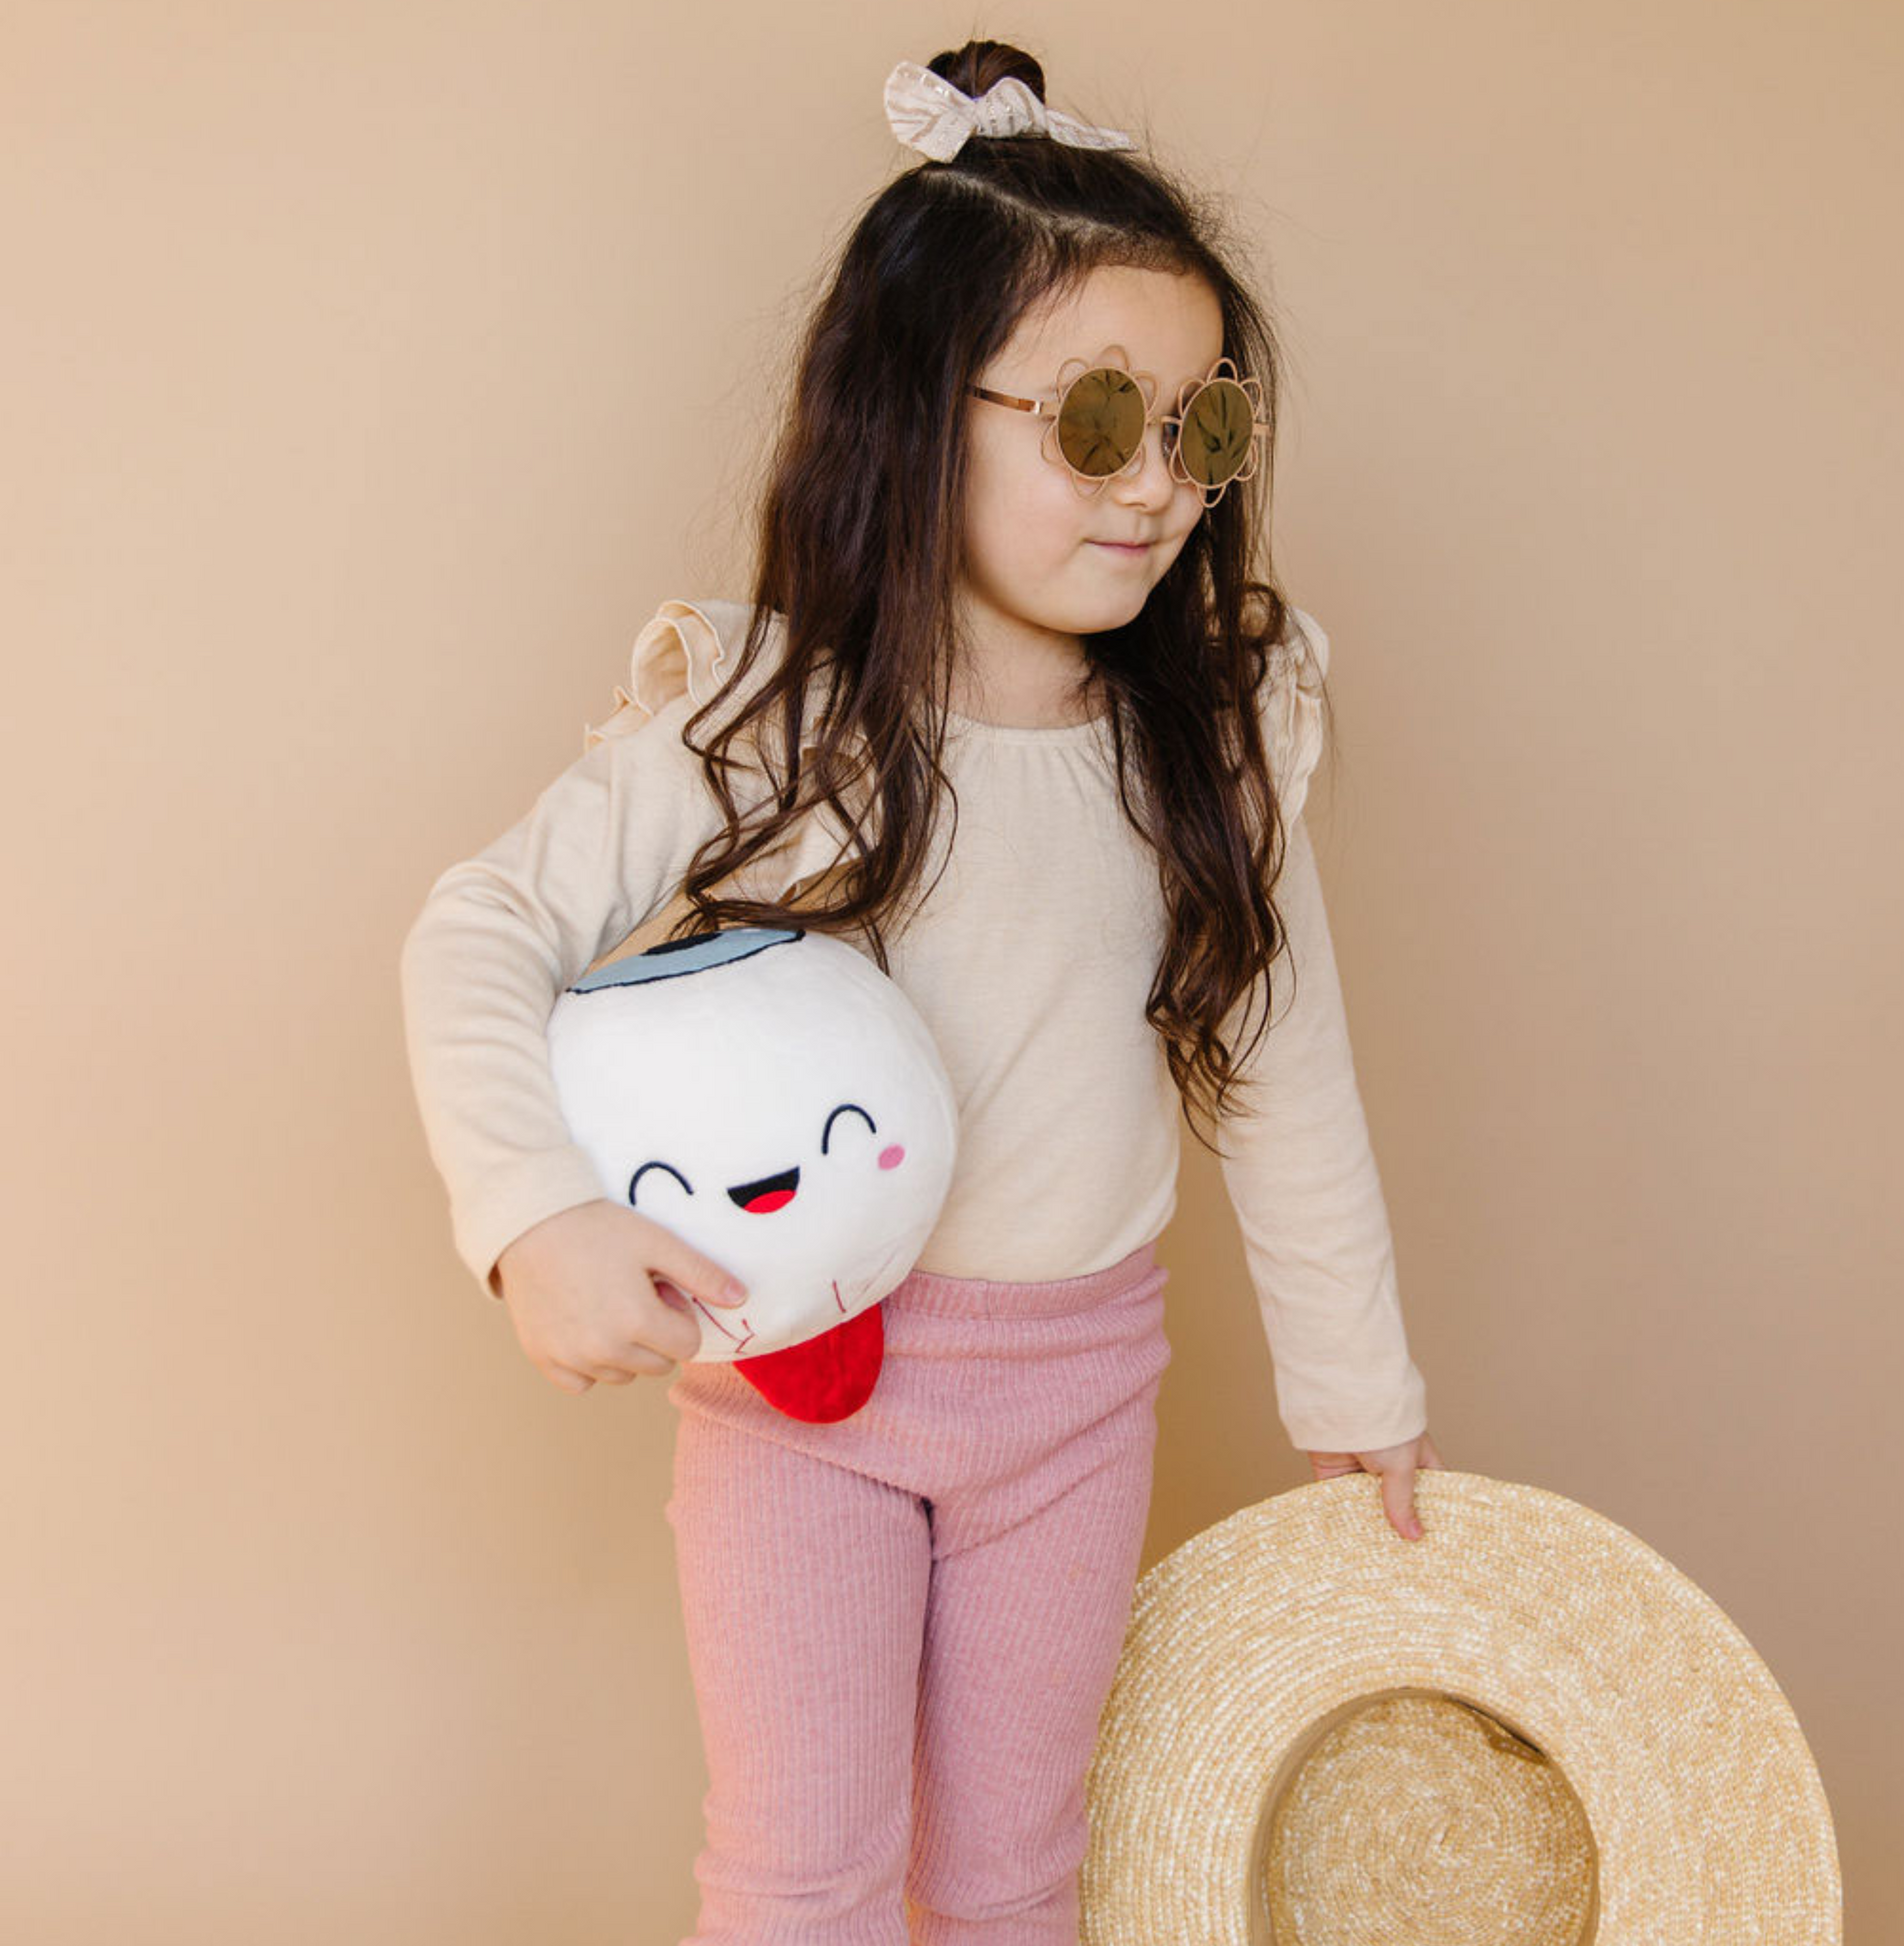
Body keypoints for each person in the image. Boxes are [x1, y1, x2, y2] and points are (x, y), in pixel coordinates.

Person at [399, 38, 1447, 1944]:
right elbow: (478, 927)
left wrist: (1355, 1385)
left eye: (1200, 432)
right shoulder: (761, 716)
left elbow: (1285, 1065)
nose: (1156, 490)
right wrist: (529, 1210)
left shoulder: (1212, 737)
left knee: (1015, 1872)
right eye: (1094, 418)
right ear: (913, 413)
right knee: (800, 1865)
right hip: (809, 1397)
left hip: (1081, 1387)